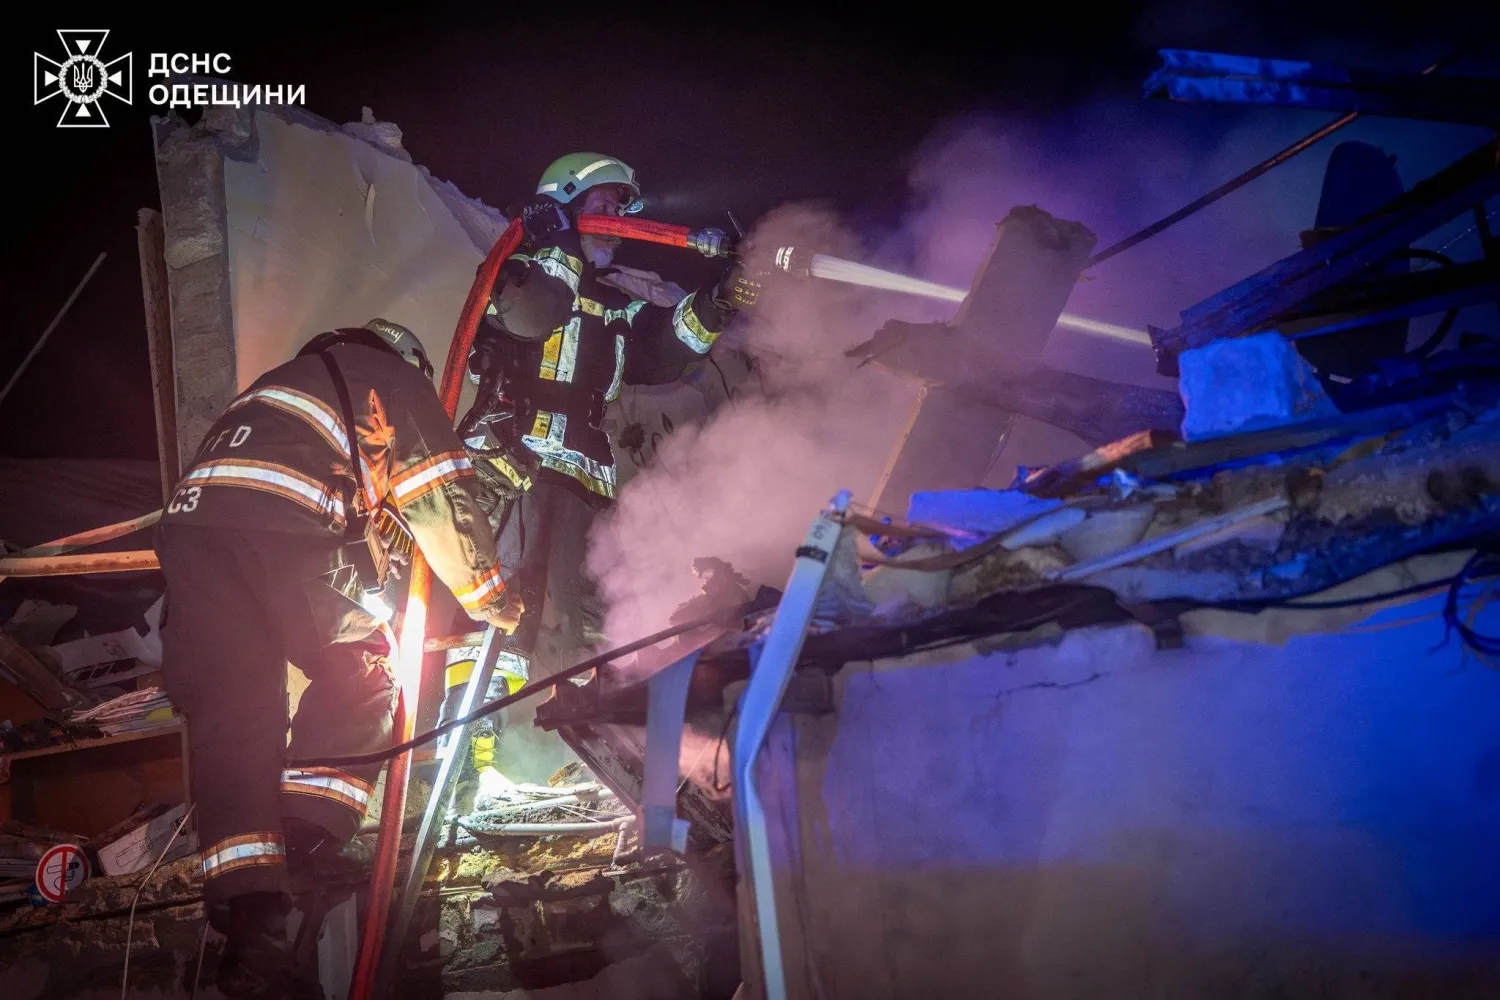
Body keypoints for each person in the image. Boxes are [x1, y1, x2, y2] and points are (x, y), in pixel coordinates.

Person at [154, 318, 523, 997]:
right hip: (278, 523)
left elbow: (361, 533)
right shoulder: (386, 379)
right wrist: (492, 595)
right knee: (372, 668)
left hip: (189, 536)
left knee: (235, 715)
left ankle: (252, 920)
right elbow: (438, 495)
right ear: (403, 359)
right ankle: (309, 833)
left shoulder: (280, 393)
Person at [461, 153, 759, 692]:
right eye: (604, 206)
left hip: (579, 478)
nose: (617, 224)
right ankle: (459, 739)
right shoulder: (519, 272)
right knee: (493, 610)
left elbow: (665, 349)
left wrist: (719, 299)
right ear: (564, 201)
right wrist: (558, 240)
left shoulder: (613, 303)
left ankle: (541, 738)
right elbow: (534, 316)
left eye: (622, 210)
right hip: (511, 465)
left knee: (563, 619)